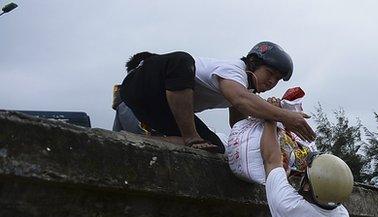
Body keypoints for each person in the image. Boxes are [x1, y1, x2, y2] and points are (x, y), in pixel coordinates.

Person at [117, 42, 315, 153]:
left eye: (278, 79)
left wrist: (270, 124)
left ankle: (142, 141)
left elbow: (238, 125)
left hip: (160, 108)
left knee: (216, 148)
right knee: (182, 61)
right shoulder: (234, 71)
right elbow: (241, 100)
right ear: (253, 63)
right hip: (142, 86)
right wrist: (284, 116)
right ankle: (190, 137)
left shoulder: (246, 90)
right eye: (270, 73)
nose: (272, 82)